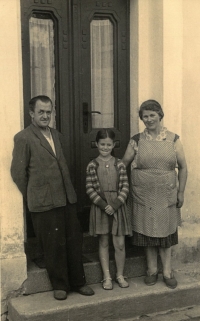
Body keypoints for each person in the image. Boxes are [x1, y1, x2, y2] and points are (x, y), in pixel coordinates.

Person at [11, 95, 94, 300]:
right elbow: (18, 173)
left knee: (74, 240)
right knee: (53, 244)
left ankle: (78, 282)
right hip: (44, 201)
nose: (46, 116)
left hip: (66, 197)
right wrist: (35, 192)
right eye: (41, 112)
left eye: (49, 112)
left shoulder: (57, 135)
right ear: (31, 114)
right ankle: (60, 285)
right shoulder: (24, 137)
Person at [123, 100, 187, 289]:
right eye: (145, 116)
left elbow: (183, 167)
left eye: (152, 115)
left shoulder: (173, 139)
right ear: (141, 118)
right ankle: (151, 270)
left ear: (160, 115)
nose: (149, 119)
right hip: (143, 195)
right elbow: (123, 164)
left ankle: (167, 271)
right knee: (147, 233)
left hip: (166, 194)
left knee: (166, 234)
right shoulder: (136, 140)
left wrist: (181, 191)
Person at [86, 129, 132, 290]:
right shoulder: (92, 165)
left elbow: (125, 186)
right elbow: (90, 188)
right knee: (104, 241)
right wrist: (103, 205)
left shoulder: (119, 164)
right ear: (97, 144)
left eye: (108, 145)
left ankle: (120, 274)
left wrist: (116, 204)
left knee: (119, 243)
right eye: (102, 144)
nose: (105, 147)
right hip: (101, 208)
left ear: (113, 145)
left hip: (117, 208)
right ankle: (107, 277)